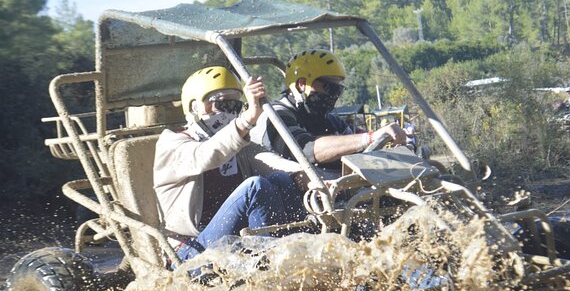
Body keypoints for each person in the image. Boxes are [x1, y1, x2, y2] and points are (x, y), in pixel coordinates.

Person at [153, 66, 302, 263]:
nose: (231, 112)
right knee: (255, 187)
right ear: (195, 107)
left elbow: (271, 162)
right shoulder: (173, 144)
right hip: (190, 251)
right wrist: (247, 119)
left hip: (232, 241)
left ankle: (302, 252)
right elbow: (207, 154)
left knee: (282, 178)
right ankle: (270, 265)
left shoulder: (238, 146)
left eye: (236, 106)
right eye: (223, 105)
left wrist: (305, 176)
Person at [251, 49, 406, 172]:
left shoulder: (330, 120)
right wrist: (369, 137)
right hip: (284, 197)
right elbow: (305, 150)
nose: (333, 95)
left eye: (338, 90)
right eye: (329, 87)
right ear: (302, 84)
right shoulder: (276, 115)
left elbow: (356, 147)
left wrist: (391, 149)